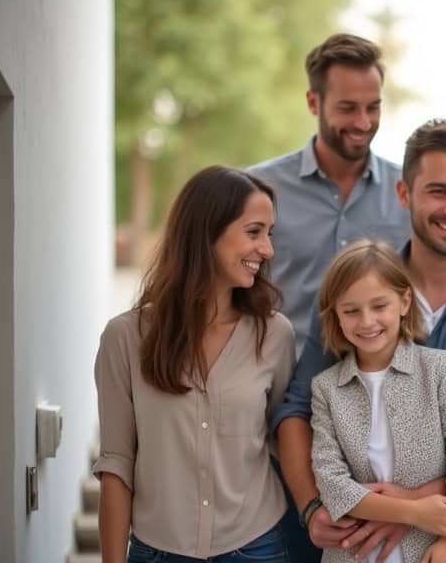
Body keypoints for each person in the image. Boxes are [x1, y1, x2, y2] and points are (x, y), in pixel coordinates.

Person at [250, 33, 446, 562]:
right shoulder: (359, 304)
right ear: (404, 194)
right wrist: (314, 508)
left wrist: (417, 505)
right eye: (439, 191)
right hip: (361, 541)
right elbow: (296, 409)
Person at [93, 166, 296, 563]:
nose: (267, 250)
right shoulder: (125, 338)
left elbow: (283, 437)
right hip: (157, 551)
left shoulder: (274, 335)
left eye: (269, 234)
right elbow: (116, 463)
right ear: (207, 231)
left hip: (256, 547)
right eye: (254, 232)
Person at [310, 239, 446, 563]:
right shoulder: (325, 389)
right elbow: (332, 484)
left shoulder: (438, 368)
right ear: (335, 315)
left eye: (379, 306)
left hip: (432, 549)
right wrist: (414, 512)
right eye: (351, 310)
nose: (366, 322)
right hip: (352, 553)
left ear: (405, 301)